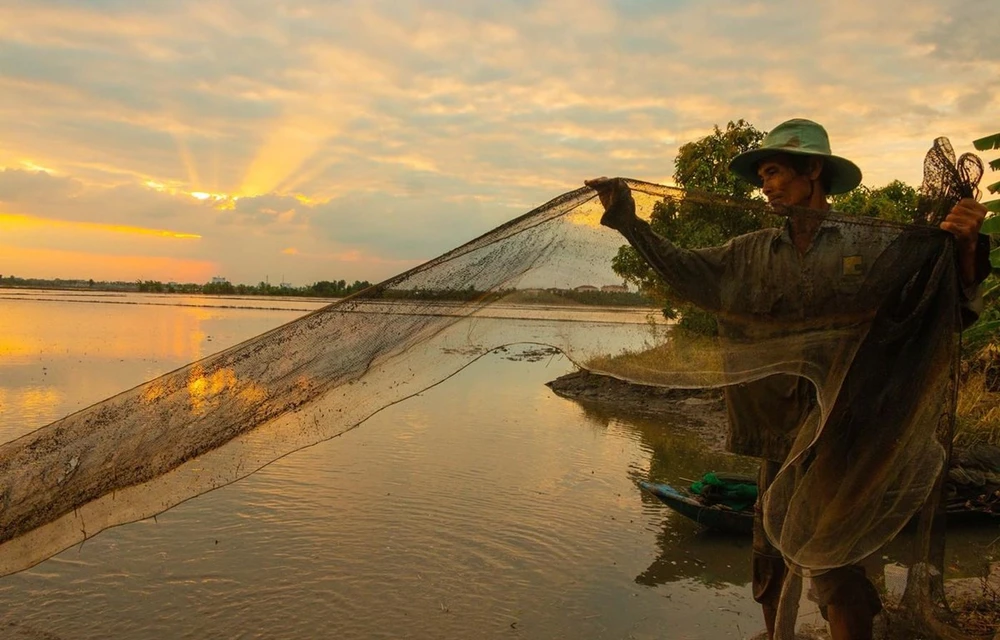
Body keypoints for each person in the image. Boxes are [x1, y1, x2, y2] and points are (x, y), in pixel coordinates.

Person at [586, 118, 990, 640]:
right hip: (776, 434)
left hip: (845, 436)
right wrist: (628, 223)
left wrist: (961, 248)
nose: (766, 185)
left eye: (774, 171)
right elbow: (686, 271)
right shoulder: (748, 254)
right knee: (771, 564)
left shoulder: (870, 246)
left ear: (813, 171)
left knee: (838, 570)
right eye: (762, 176)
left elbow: (938, 308)